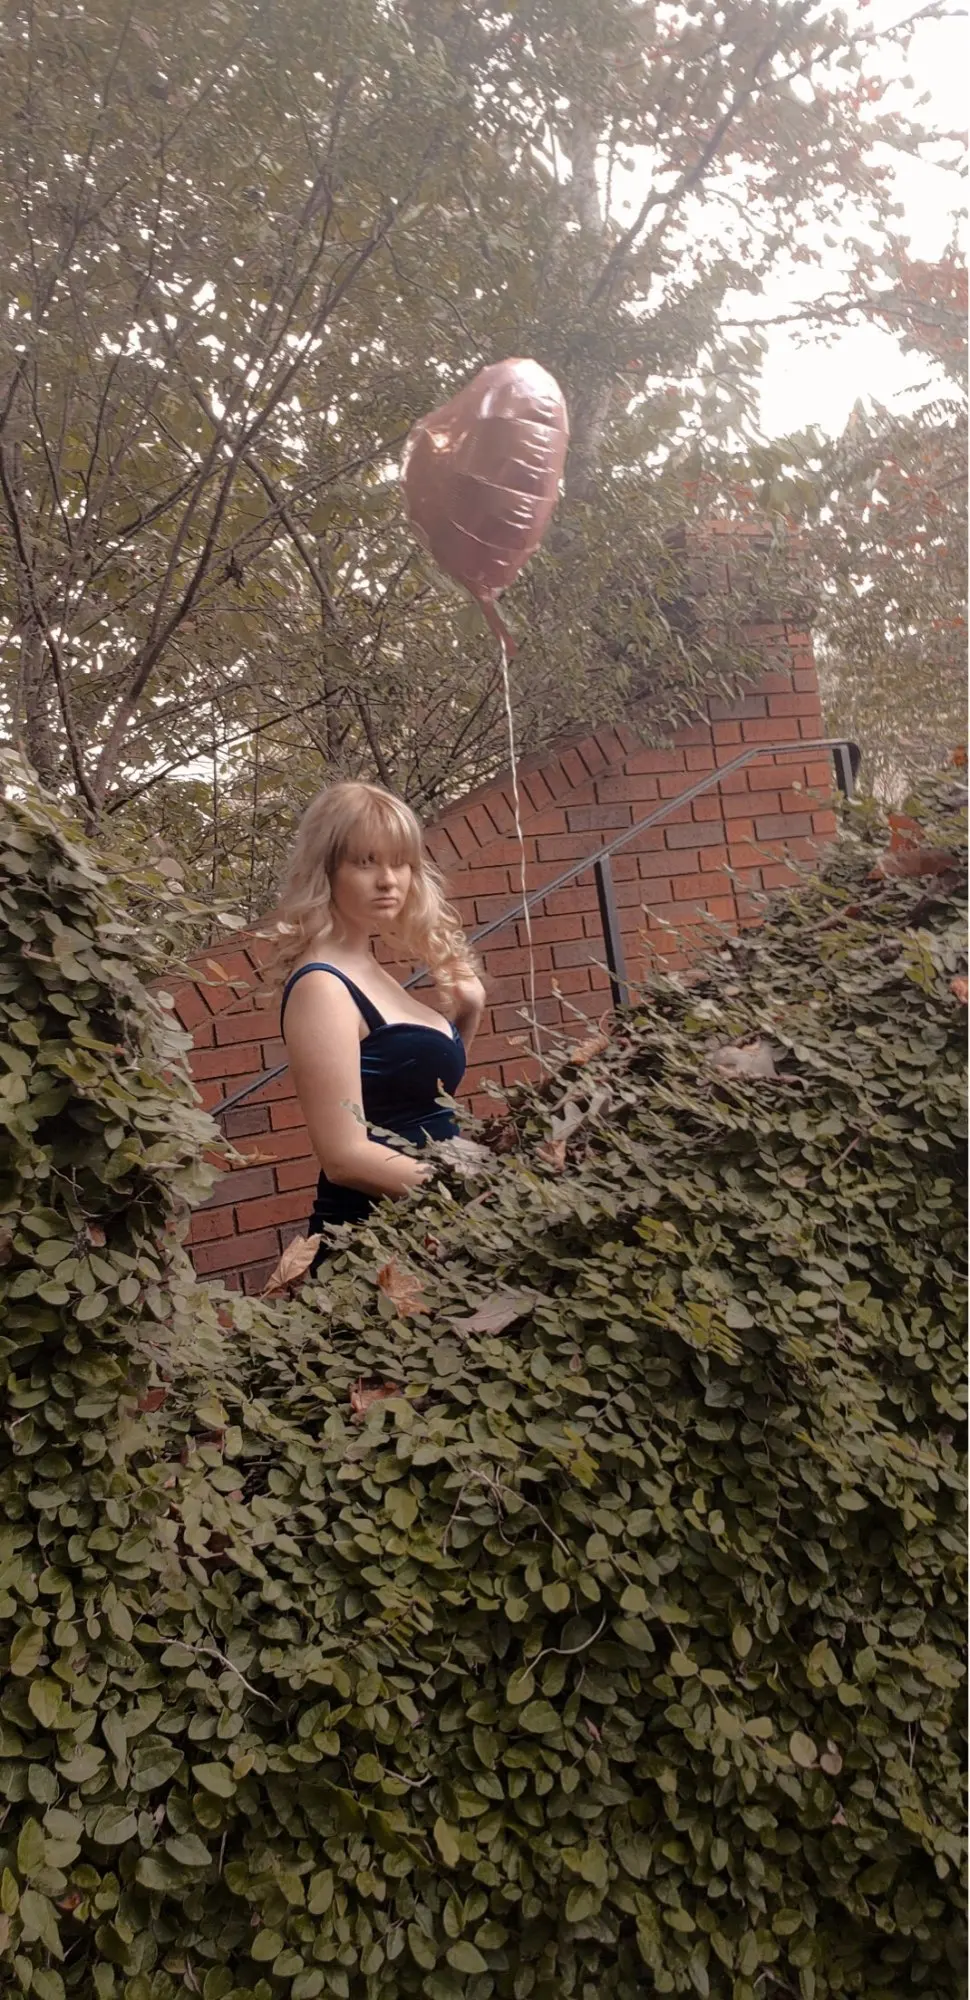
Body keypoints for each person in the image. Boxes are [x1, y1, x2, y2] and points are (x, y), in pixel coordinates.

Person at [271, 779, 486, 1265]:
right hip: (372, 1250)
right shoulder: (323, 986)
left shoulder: (367, 968)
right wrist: (472, 1188)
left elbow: (423, 1100)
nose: (389, 880)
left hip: (427, 1232)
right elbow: (344, 1157)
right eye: (366, 862)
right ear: (327, 869)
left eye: (400, 862)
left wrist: (467, 1011)